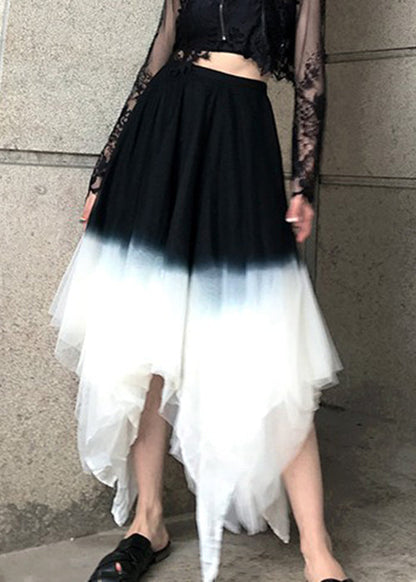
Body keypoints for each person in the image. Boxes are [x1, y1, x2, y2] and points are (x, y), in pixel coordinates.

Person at [49, 0, 354, 581]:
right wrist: (104, 171)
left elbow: (311, 72)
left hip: (238, 142)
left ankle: (319, 552)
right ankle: (147, 523)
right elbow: (154, 63)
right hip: (162, 139)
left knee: (270, 344)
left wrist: (304, 183)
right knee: (148, 337)